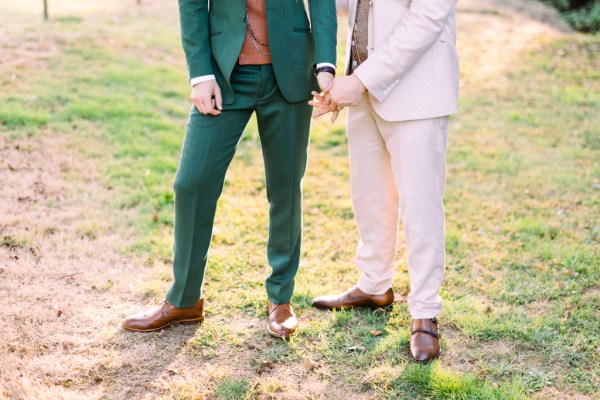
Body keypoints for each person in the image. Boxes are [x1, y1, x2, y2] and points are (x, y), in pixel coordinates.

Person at [122, 0, 337, 339]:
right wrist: (200, 73)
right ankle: (184, 299)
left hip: (292, 69)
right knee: (192, 184)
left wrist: (326, 63)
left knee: (285, 188)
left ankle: (280, 298)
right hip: (223, 72)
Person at [310, 0, 459, 362]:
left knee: (420, 206)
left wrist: (359, 81)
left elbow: (426, 18)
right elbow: (346, 7)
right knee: (370, 195)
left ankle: (425, 310)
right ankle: (374, 285)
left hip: (417, 92)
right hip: (363, 94)